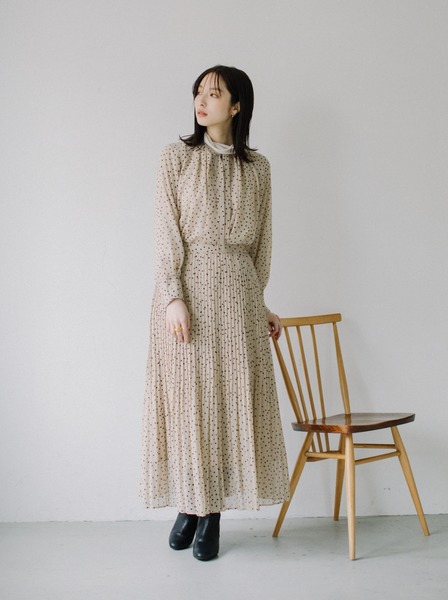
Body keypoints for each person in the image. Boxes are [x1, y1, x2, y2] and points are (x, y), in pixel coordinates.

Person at [140, 65, 290, 561]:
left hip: (240, 300)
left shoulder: (259, 168)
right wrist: (172, 295)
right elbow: (166, 230)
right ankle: (191, 503)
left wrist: (259, 302)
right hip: (188, 296)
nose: (202, 101)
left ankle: (212, 515)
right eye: (198, 93)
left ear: (237, 105)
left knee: (228, 405)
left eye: (214, 93)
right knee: (190, 404)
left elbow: (261, 243)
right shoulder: (177, 157)